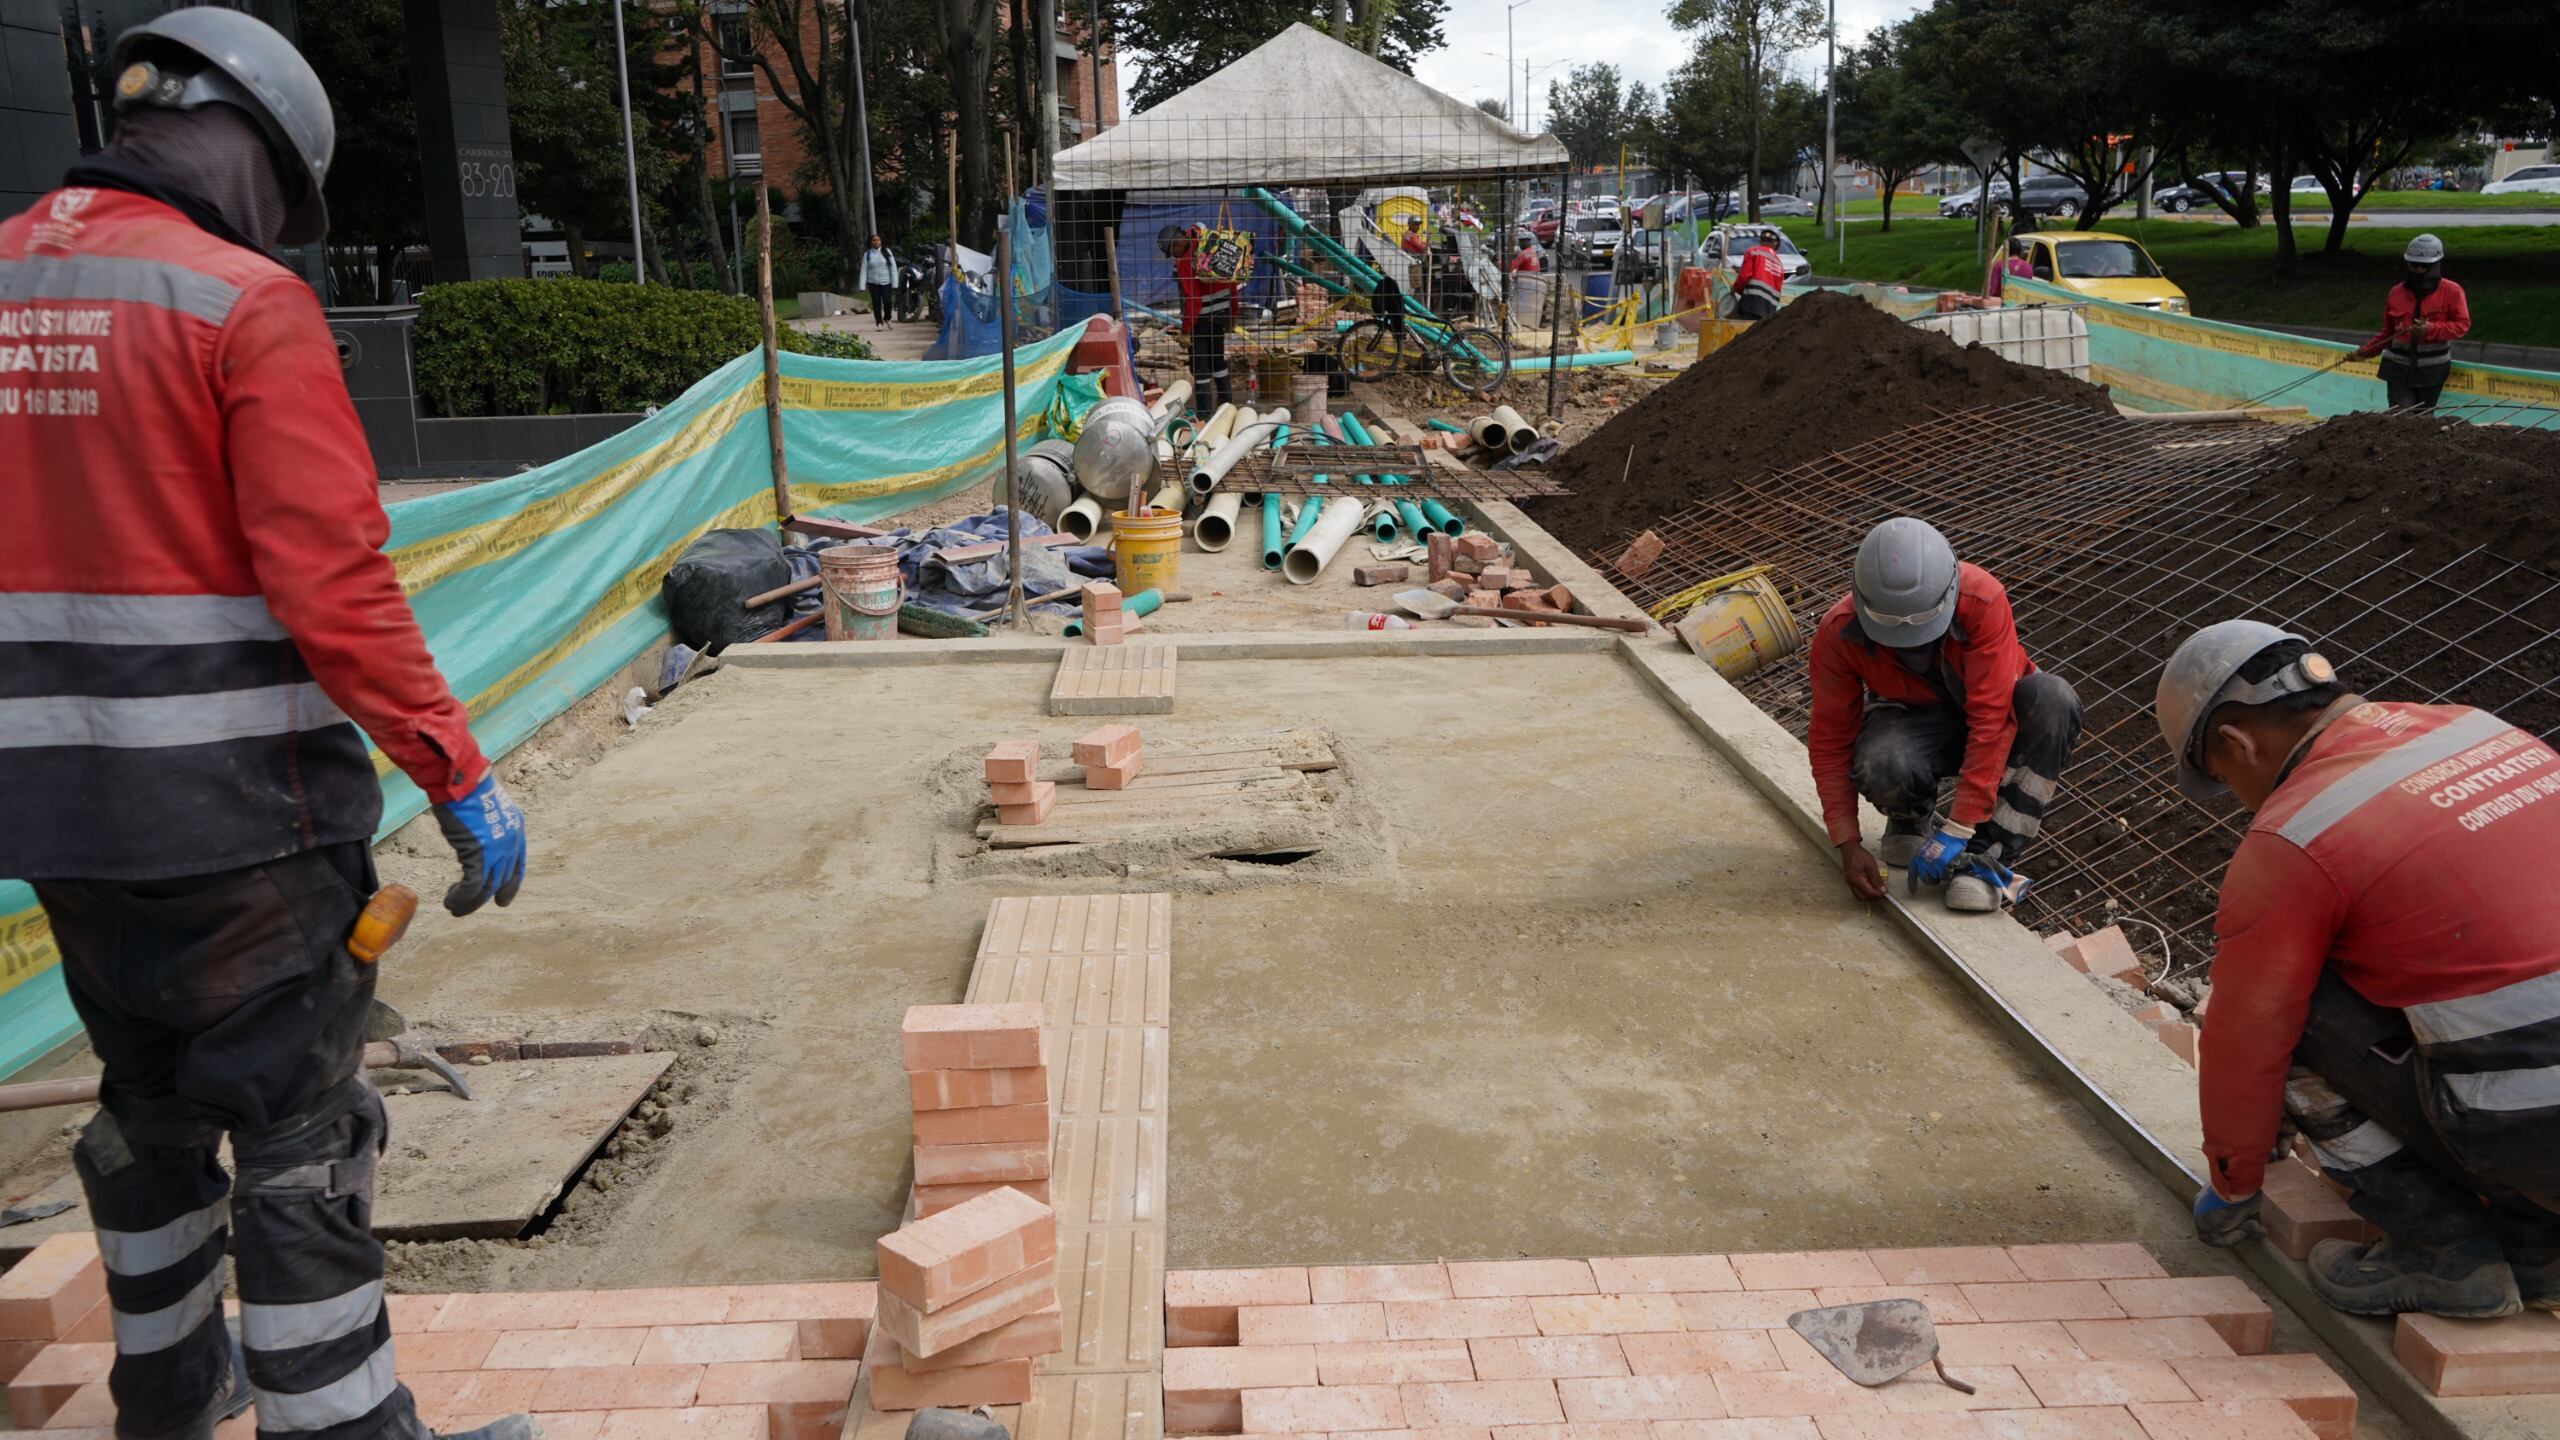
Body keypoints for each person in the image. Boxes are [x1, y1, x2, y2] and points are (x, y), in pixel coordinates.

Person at [0, 12, 534, 1440]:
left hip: (58, 829)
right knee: (303, 1131)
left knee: (150, 1113)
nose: (276, 225)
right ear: (250, 145)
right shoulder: (235, 303)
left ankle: (172, 1399)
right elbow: (333, 580)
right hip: (244, 821)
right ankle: (345, 1424)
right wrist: (457, 773)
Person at [2157, 621, 2560, 1317]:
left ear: (2237, 742)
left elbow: (2247, 1035)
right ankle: (2541, 1247)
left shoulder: (2296, 831)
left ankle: (2442, 1249)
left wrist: (2232, 1181)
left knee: (2290, 1005)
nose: (2240, 798)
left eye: (2224, 779)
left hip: (2534, 1130)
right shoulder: (2478, 728)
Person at [1806, 518, 2082, 913]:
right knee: (1881, 758)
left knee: (2053, 700)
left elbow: (1991, 718)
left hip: (1999, 720)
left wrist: (1959, 827)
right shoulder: (1839, 632)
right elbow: (1830, 740)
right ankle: (1909, 817)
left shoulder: (1982, 599)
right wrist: (1847, 844)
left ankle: (1986, 856)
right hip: (1920, 722)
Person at [2354, 233, 2469, 410]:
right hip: (2397, 368)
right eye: (2414, 265)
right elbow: (2388, 332)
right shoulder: (2396, 293)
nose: (2418, 270)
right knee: (2400, 416)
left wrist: (2430, 329)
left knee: (2423, 419)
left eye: (2424, 266)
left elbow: (2462, 325)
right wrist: (2366, 351)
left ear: (2435, 265)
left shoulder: (2452, 292)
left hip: (2432, 371)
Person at [1162, 223, 1234, 416]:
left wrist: (1186, 330)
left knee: (1200, 367)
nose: (1175, 257)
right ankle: (1227, 407)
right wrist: (1232, 313)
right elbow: (1232, 281)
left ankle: (1204, 414)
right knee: (1218, 362)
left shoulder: (1186, 260)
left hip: (1201, 320)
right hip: (1221, 315)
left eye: (1173, 252)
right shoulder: (1209, 243)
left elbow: (1192, 299)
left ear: (1177, 244)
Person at [1732, 227, 1786, 321]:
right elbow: (1778, 288)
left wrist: (1735, 289)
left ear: (1761, 240)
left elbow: (1744, 277)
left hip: (1751, 303)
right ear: (1776, 243)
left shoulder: (1753, 252)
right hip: (1769, 310)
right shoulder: (1779, 264)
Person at [858, 233, 898, 329]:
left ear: (881, 241)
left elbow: (893, 268)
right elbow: (863, 270)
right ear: (871, 242)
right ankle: (879, 322)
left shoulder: (887, 252)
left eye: (878, 240)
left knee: (887, 302)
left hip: (886, 282)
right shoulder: (867, 254)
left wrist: (895, 283)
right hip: (873, 283)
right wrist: (862, 285)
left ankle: (887, 318)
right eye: (874, 240)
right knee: (876, 303)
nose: (876, 242)